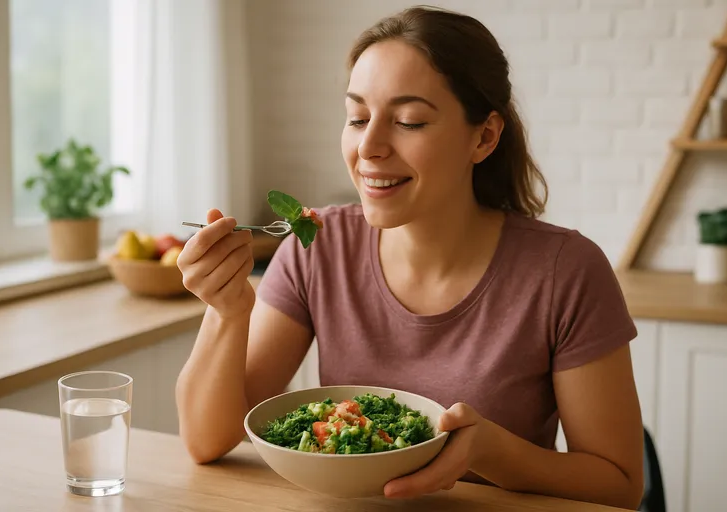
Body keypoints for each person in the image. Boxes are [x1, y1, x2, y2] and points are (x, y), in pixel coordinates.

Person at [175, 5, 644, 509]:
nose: (369, 147)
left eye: (409, 121)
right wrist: (226, 312)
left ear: (484, 136)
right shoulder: (318, 248)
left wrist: (487, 450)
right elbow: (207, 441)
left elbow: (618, 485)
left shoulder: (566, 272)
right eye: (357, 117)